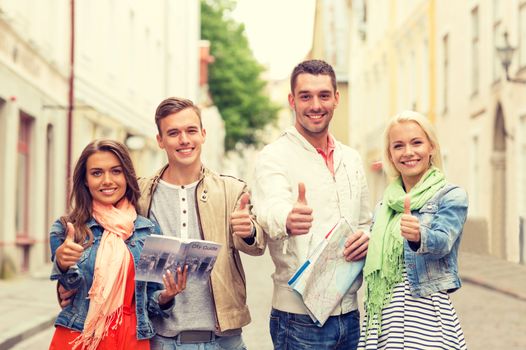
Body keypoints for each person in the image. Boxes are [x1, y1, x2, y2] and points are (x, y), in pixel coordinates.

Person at [251, 59, 372, 350]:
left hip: (350, 314)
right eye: (306, 96)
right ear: (292, 100)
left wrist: (367, 237)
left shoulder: (352, 159)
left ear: (336, 99)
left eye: (323, 95)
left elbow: (365, 221)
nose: (315, 105)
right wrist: (288, 219)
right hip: (299, 320)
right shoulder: (274, 156)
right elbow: (269, 209)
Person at [137, 97, 266, 350]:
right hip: (162, 341)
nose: (184, 140)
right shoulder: (140, 194)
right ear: (160, 140)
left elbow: (256, 246)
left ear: (203, 134)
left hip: (224, 341)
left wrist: (249, 231)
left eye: (191, 131)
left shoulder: (232, 190)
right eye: (173, 133)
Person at [49, 139, 186, 350]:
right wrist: (62, 263)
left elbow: (151, 299)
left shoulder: (148, 230)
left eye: (116, 171)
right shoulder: (67, 229)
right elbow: (68, 290)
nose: (107, 180)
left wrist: (167, 296)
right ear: (85, 180)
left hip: (131, 337)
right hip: (80, 334)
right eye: (96, 173)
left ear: (127, 176)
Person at [357, 111, 468, 349]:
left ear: (432, 148)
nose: (408, 152)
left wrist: (419, 236)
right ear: (390, 154)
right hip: (385, 319)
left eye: (416, 142)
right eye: (398, 146)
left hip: (427, 317)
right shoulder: (384, 206)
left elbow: (443, 242)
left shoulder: (451, 196)